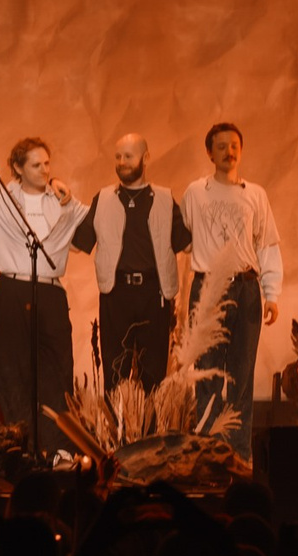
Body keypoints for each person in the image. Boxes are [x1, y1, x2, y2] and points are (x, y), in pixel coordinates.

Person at [177, 122, 281, 459]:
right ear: (209, 153)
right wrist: (181, 298)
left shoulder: (256, 194)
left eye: (234, 145)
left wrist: (272, 292)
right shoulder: (196, 192)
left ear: (241, 149)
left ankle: (238, 454)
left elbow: (267, 245)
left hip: (247, 288)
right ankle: (208, 450)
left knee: (241, 373)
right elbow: (184, 244)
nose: (229, 151)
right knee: (207, 371)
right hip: (208, 287)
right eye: (220, 146)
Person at [0, 137, 86, 457]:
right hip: (12, 289)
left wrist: (67, 197)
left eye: (47, 164)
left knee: (57, 370)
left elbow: (89, 224)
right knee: (13, 371)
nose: (44, 170)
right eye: (36, 164)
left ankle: (59, 447)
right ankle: (21, 447)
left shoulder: (62, 199)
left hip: (51, 290)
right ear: (17, 168)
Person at [70, 133, 190, 390]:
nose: (122, 161)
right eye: (118, 156)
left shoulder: (165, 199)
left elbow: (188, 244)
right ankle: (116, 429)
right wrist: (62, 205)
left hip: (155, 294)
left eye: (128, 155)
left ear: (145, 158)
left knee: (154, 375)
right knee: (115, 373)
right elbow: (78, 244)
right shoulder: (102, 199)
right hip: (116, 294)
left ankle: (152, 430)